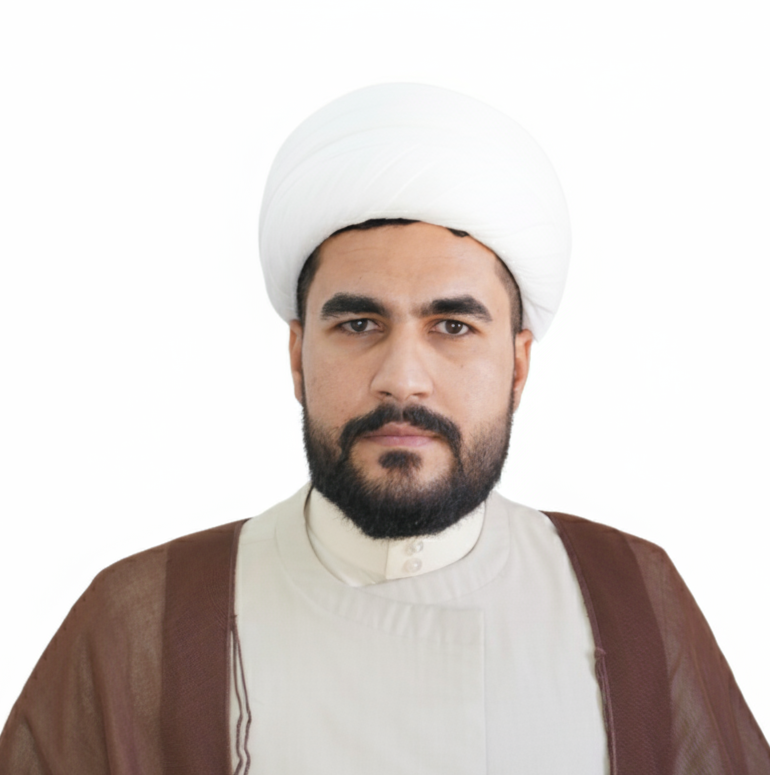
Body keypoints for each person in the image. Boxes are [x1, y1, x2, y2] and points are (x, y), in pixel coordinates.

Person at [1, 83, 768, 775]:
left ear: (517, 364)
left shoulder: (631, 595)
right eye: (360, 323)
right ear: (298, 356)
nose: (402, 378)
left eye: (453, 326)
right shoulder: (144, 620)